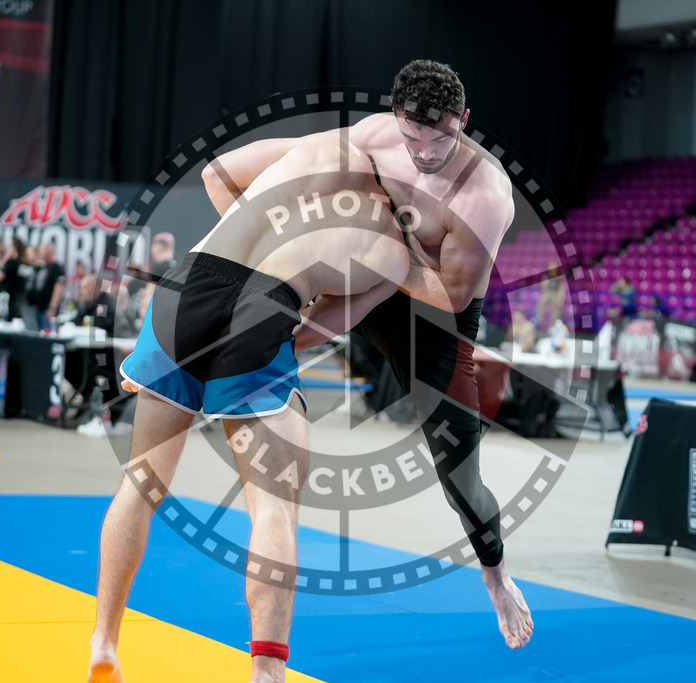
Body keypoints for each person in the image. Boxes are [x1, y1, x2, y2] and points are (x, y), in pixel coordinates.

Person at [202, 59, 531, 651]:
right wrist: (256, 237)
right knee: (272, 313)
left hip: (435, 319)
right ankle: (209, 366)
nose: (426, 152)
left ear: (465, 120)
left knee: (460, 474)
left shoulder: (484, 193)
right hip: (370, 269)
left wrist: (387, 253)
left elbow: (452, 292)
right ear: (396, 117)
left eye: (441, 138)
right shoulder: (377, 135)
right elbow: (232, 173)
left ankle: (495, 572)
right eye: (414, 136)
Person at [89, 138, 409, 683]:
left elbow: (218, 173)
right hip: (267, 305)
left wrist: (249, 236)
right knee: (274, 510)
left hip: (187, 285)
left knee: (140, 484)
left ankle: (104, 641)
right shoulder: (394, 251)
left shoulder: (328, 150)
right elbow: (316, 333)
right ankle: (266, 671)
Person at [137, 232, 177, 321]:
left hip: (157, 316)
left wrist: (144, 309)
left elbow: (150, 290)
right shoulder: (176, 267)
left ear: (158, 249)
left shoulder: (159, 267)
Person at [29, 242, 66, 330]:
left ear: (49, 251)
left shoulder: (57, 268)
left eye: (42, 250)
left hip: (47, 310)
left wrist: (52, 308)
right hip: (37, 308)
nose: (40, 252)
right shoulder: (42, 267)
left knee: (47, 333)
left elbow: (59, 289)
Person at [0, 237, 36, 322]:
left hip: (12, 302)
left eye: (9, 246)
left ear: (14, 248)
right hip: (24, 302)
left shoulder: (12, 262)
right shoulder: (25, 263)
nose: (7, 249)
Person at [535, 262, 566, 330]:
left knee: (556, 307)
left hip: (556, 293)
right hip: (548, 292)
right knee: (541, 302)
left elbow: (562, 288)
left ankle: (552, 325)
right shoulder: (546, 275)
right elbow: (542, 286)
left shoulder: (560, 276)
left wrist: (561, 298)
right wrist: (547, 281)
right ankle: (539, 321)